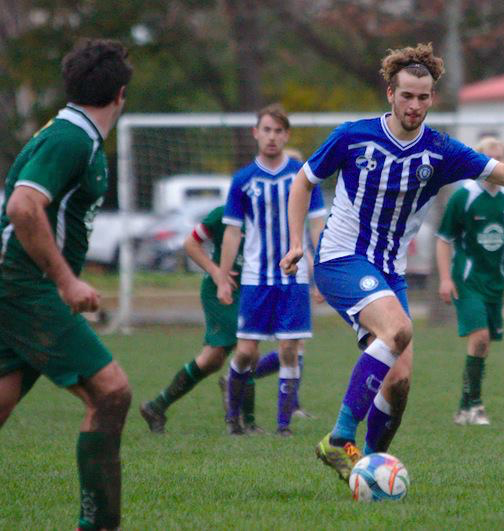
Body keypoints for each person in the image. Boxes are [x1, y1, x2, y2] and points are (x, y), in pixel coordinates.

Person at [280, 43, 504, 482]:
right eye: (406, 96)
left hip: (389, 272)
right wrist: (295, 244)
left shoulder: (442, 150)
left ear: (431, 99)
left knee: (398, 383)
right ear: (390, 94)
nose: (414, 105)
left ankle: (366, 467)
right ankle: (339, 437)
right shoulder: (351, 136)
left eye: (423, 97)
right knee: (399, 330)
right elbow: (302, 183)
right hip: (341, 257)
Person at [0, 39, 132, 530]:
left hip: (17, 287)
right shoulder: (71, 139)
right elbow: (22, 207)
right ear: (120, 95)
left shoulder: (75, 134)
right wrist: (67, 281)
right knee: (111, 392)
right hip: (24, 287)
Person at [139, 204, 297, 434]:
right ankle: (246, 422)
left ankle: (156, 407)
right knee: (248, 348)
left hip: (252, 291)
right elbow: (190, 244)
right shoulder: (224, 214)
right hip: (221, 291)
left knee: (212, 359)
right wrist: (216, 271)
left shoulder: (273, 218)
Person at [218, 104, 326, 436]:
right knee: (247, 351)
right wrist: (223, 276)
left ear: (286, 135)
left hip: (293, 278)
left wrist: (319, 271)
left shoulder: (304, 176)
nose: (272, 137)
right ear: (256, 133)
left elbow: (317, 225)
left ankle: (283, 426)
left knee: (289, 349)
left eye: (279, 131)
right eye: (266, 130)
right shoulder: (243, 180)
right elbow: (233, 231)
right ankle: (233, 417)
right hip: (255, 278)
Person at [436, 137, 504, 426]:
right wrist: (445, 279)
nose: (495, 165)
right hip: (467, 279)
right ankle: (475, 405)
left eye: (501, 159)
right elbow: (443, 240)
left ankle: (465, 407)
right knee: (480, 337)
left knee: (484, 345)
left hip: (495, 281)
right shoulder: (464, 196)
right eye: (490, 160)